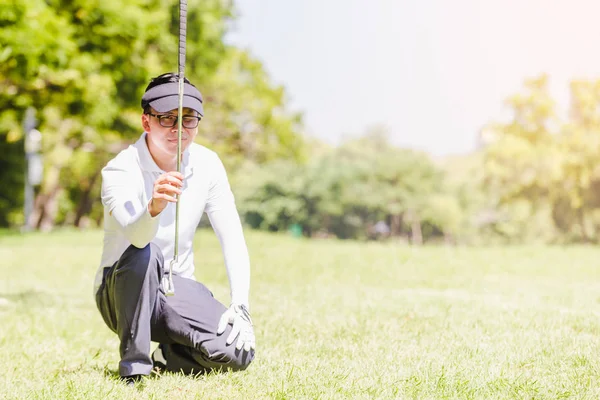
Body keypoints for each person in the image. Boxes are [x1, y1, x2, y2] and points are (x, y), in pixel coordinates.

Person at [94, 72, 255, 385]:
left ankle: (169, 356)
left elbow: (232, 237)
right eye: (167, 119)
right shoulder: (120, 170)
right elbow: (137, 237)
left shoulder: (208, 164)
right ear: (146, 122)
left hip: (173, 286)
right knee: (146, 252)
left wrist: (241, 304)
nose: (179, 130)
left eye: (189, 119)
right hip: (120, 291)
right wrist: (153, 206)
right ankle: (134, 368)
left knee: (238, 352)